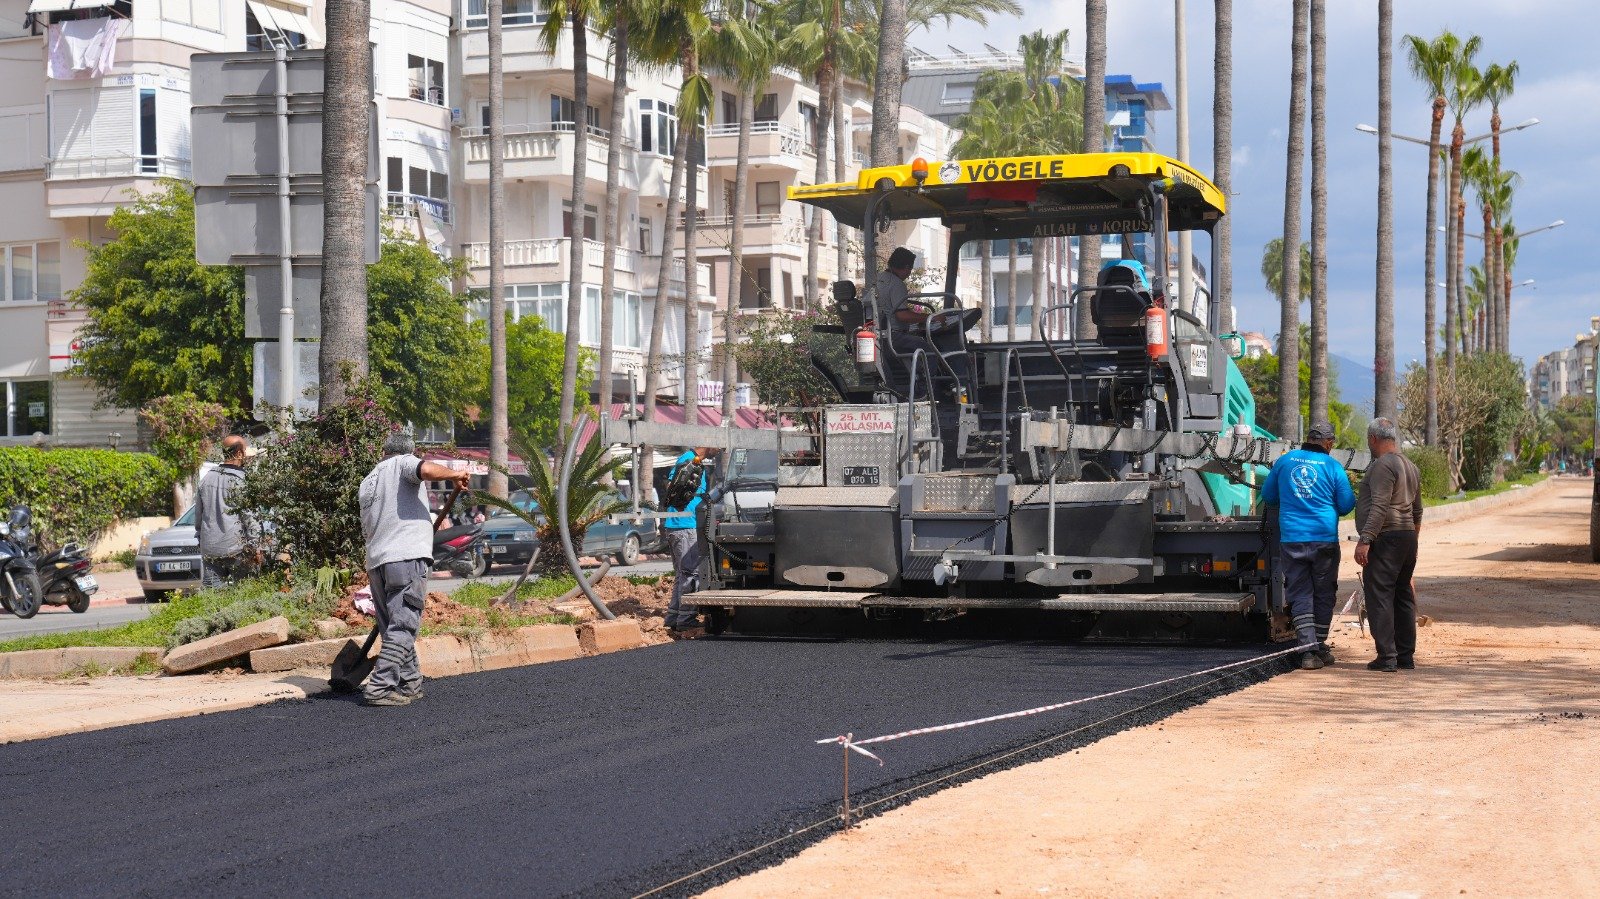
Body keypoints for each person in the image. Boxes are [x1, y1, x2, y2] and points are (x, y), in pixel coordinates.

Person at [357, 432, 470, 706]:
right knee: (404, 624)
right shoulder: (403, 463)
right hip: (405, 558)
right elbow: (426, 469)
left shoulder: (369, 479)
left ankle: (409, 683)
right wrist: (455, 474)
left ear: (383, 451)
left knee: (392, 627)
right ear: (409, 451)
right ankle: (380, 687)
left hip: (377, 562)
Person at [1260, 421, 1355, 670]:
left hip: (1292, 539)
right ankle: (1319, 646)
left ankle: (1308, 651)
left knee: (1300, 593)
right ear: (1329, 443)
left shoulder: (1285, 461)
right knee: (1323, 593)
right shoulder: (1333, 466)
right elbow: (1346, 505)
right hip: (1324, 540)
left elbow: (1268, 496)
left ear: (1308, 438)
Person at [1353, 417, 1424, 673]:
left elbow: (1380, 505)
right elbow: (1417, 511)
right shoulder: (1410, 465)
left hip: (1387, 537)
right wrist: (1412, 540)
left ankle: (1387, 656)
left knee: (1380, 594)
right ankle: (1405, 655)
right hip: (1406, 537)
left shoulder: (1382, 465)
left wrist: (1366, 540)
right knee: (1403, 593)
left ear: (1373, 439)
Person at [662, 445, 721, 638]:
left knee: (682, 574)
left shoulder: (692, 461)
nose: (719, 450)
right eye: (718, 445)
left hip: (678, 525)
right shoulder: (689, 461)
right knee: (691, 573)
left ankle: (674, 617)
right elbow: (674, 487)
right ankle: (686, 620)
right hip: (684, 525)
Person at [195, 435, 256, 588]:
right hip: (236, 549)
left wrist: (200, 540)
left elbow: (198, 518)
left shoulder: (206, 479)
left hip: (210, 549)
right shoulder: (241, 481)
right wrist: (255, 545)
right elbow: (249, 517)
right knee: (245, 595)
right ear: (240, 454)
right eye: (245, 450)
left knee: (213, 599)